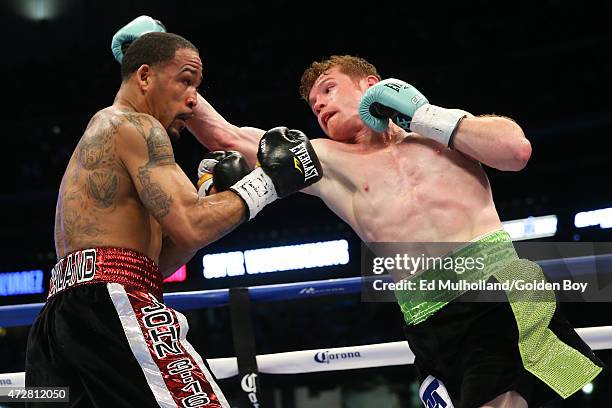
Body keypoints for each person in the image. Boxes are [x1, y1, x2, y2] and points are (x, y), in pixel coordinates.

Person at [112, 18, 604, 408]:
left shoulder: (438, 132)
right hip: (427, 318)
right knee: (552, 398)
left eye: (328, 89)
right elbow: (225, 135)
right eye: (312, 103)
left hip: (497, 289)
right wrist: (152, 52)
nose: (319, 106)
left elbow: (515, 150)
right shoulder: (325, 160)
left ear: (371, 84)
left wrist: (423, 114)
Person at [25, 30, 321, 408]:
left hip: (60, 320)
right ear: (145, 76)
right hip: (111, 304)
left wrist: (210, 200)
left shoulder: (108, 132)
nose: (193, 98)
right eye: (185, 80)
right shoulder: (136, 125)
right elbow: (192, 224)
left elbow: (160, 258)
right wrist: (270, 180)